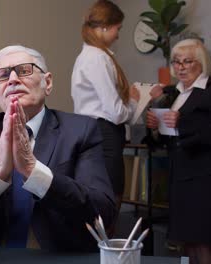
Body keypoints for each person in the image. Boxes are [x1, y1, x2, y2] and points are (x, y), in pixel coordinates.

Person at [0, 45, 116, 251]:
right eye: (3, 75)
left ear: (47, 83)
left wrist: (33, 171)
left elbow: (103, 214)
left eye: (24, 71)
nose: (13, 79)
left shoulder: (81, 130)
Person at [146, 39, 211, 264]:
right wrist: (156, 129)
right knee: (186, 243)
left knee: (204, 241)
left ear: (201, 63)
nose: (181, 67)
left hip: (206, 176)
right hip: (179, 176)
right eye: (176, 62)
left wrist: (181, 122)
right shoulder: (173, 94)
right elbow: (166, 138)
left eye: (187, 62)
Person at [71, 0, 152, 211]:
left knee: (99, 204)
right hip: (104, 135)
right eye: (118, 28)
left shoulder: (86, 56)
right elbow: (116, 113)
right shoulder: (98, 58)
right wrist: (134, 99)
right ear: (106, 26)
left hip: (91, 133)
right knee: (109, 204)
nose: (118, 34)